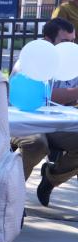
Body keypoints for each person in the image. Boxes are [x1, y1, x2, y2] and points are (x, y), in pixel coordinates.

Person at [10, 18, 77, 206]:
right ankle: (9, 195)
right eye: (65, 42)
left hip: (56, 123)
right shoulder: (29, 62)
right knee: (36, 144)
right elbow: (45, 96)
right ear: (48, 40)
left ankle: (51, 178)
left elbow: (67, 98)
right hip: (23, 122)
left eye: (73, 41)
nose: (70, 47)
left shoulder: (71, 62)